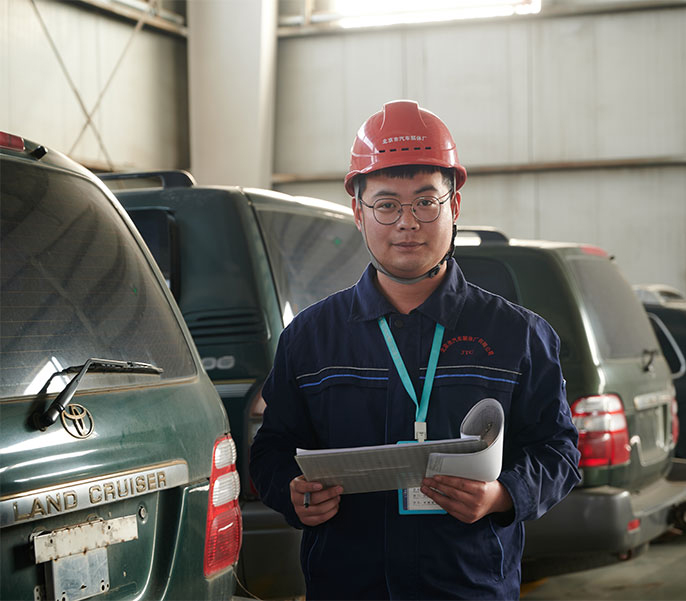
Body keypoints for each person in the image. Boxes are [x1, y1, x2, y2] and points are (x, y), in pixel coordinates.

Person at [249, 100, 581, 600]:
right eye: (386, 204)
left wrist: (500, 496)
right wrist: (291, 494)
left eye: (426, 201)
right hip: (349, 585)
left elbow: (560, 452)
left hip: (469, 585)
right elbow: (273, 449)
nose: (408, 222)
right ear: (358, 213)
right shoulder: (310, 338)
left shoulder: (518, 337)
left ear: (455, 206)